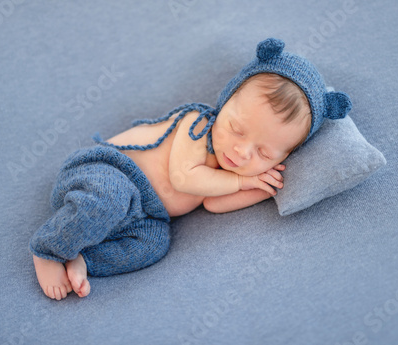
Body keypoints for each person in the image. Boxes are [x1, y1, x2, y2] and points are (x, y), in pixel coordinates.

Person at [29, 38, 352, 300]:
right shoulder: (195, 125)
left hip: (146, 215)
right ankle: (48, 249)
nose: (241, 152)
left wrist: (258, 188)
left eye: (264, 151)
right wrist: (241, 181)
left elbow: (213, 203)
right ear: (224, 103)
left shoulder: (238, 172)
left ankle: (83, 259)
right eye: (236, 129)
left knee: (154, 246)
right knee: (107, 200)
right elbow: (184, 178)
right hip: (107, 173)